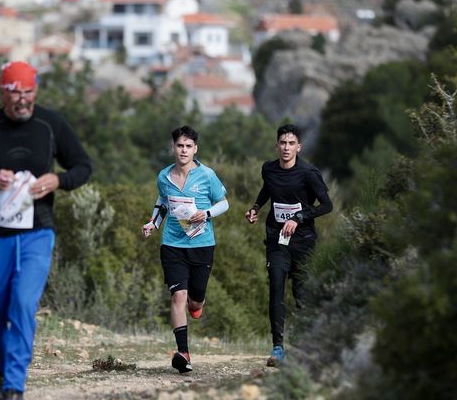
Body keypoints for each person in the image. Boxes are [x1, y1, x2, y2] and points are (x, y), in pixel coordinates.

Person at [0, 61, 92, 400]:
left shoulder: (51, 125)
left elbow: (83, 166)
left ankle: (15, 387)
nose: (22, 100)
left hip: (37, 233)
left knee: (23, 305)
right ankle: (2, 375)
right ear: (3, 92)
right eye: (15, 93)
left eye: (28, 92)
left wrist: (57, 180)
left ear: (36, 92)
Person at [142, 126, 229, 373]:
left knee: (195, 298)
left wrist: (207, 213)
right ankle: (183, 352)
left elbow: (224, 203)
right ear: (174, 148)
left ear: (195, 149)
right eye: (180, 145)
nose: (183, 150)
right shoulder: (164, 177)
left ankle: (197, 304)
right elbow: (162, 203)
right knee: (178, 295)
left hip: (202, 245)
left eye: (188, 146)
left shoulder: (207, 175)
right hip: (172, 245)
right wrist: (153, 223)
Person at [245, 124, 332, 367]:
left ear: (299, 147)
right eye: (282, 143)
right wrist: (255, 208)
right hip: (277, 239)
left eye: (291, 143)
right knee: (276, 286)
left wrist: (299, 217)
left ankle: (305, 346)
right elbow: (267, 190)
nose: (286, 148)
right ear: (276, 146)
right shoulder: (269, 169)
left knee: (302, 294)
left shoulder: (308, 173)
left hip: (303, 242)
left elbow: (327, 205)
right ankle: (278, 348)